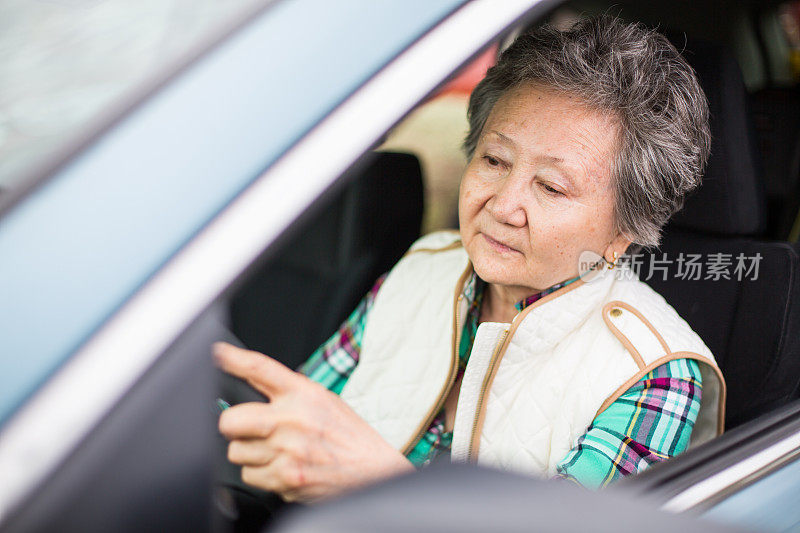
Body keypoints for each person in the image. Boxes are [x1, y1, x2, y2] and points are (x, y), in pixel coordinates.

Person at [214, 15, 726, 502]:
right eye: (494, 160)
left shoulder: (655, 373)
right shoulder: (424, 268)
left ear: (625, 232)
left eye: (550, 186)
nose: (502, 206)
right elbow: (296, 415)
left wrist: (377, 479)